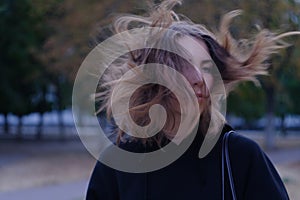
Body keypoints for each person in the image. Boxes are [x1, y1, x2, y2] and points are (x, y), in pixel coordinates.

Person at [86, 0, 296, 199]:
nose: (199, 78)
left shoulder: (239, 157)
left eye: (206, 68)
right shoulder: (117, 164)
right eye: (184, 63)